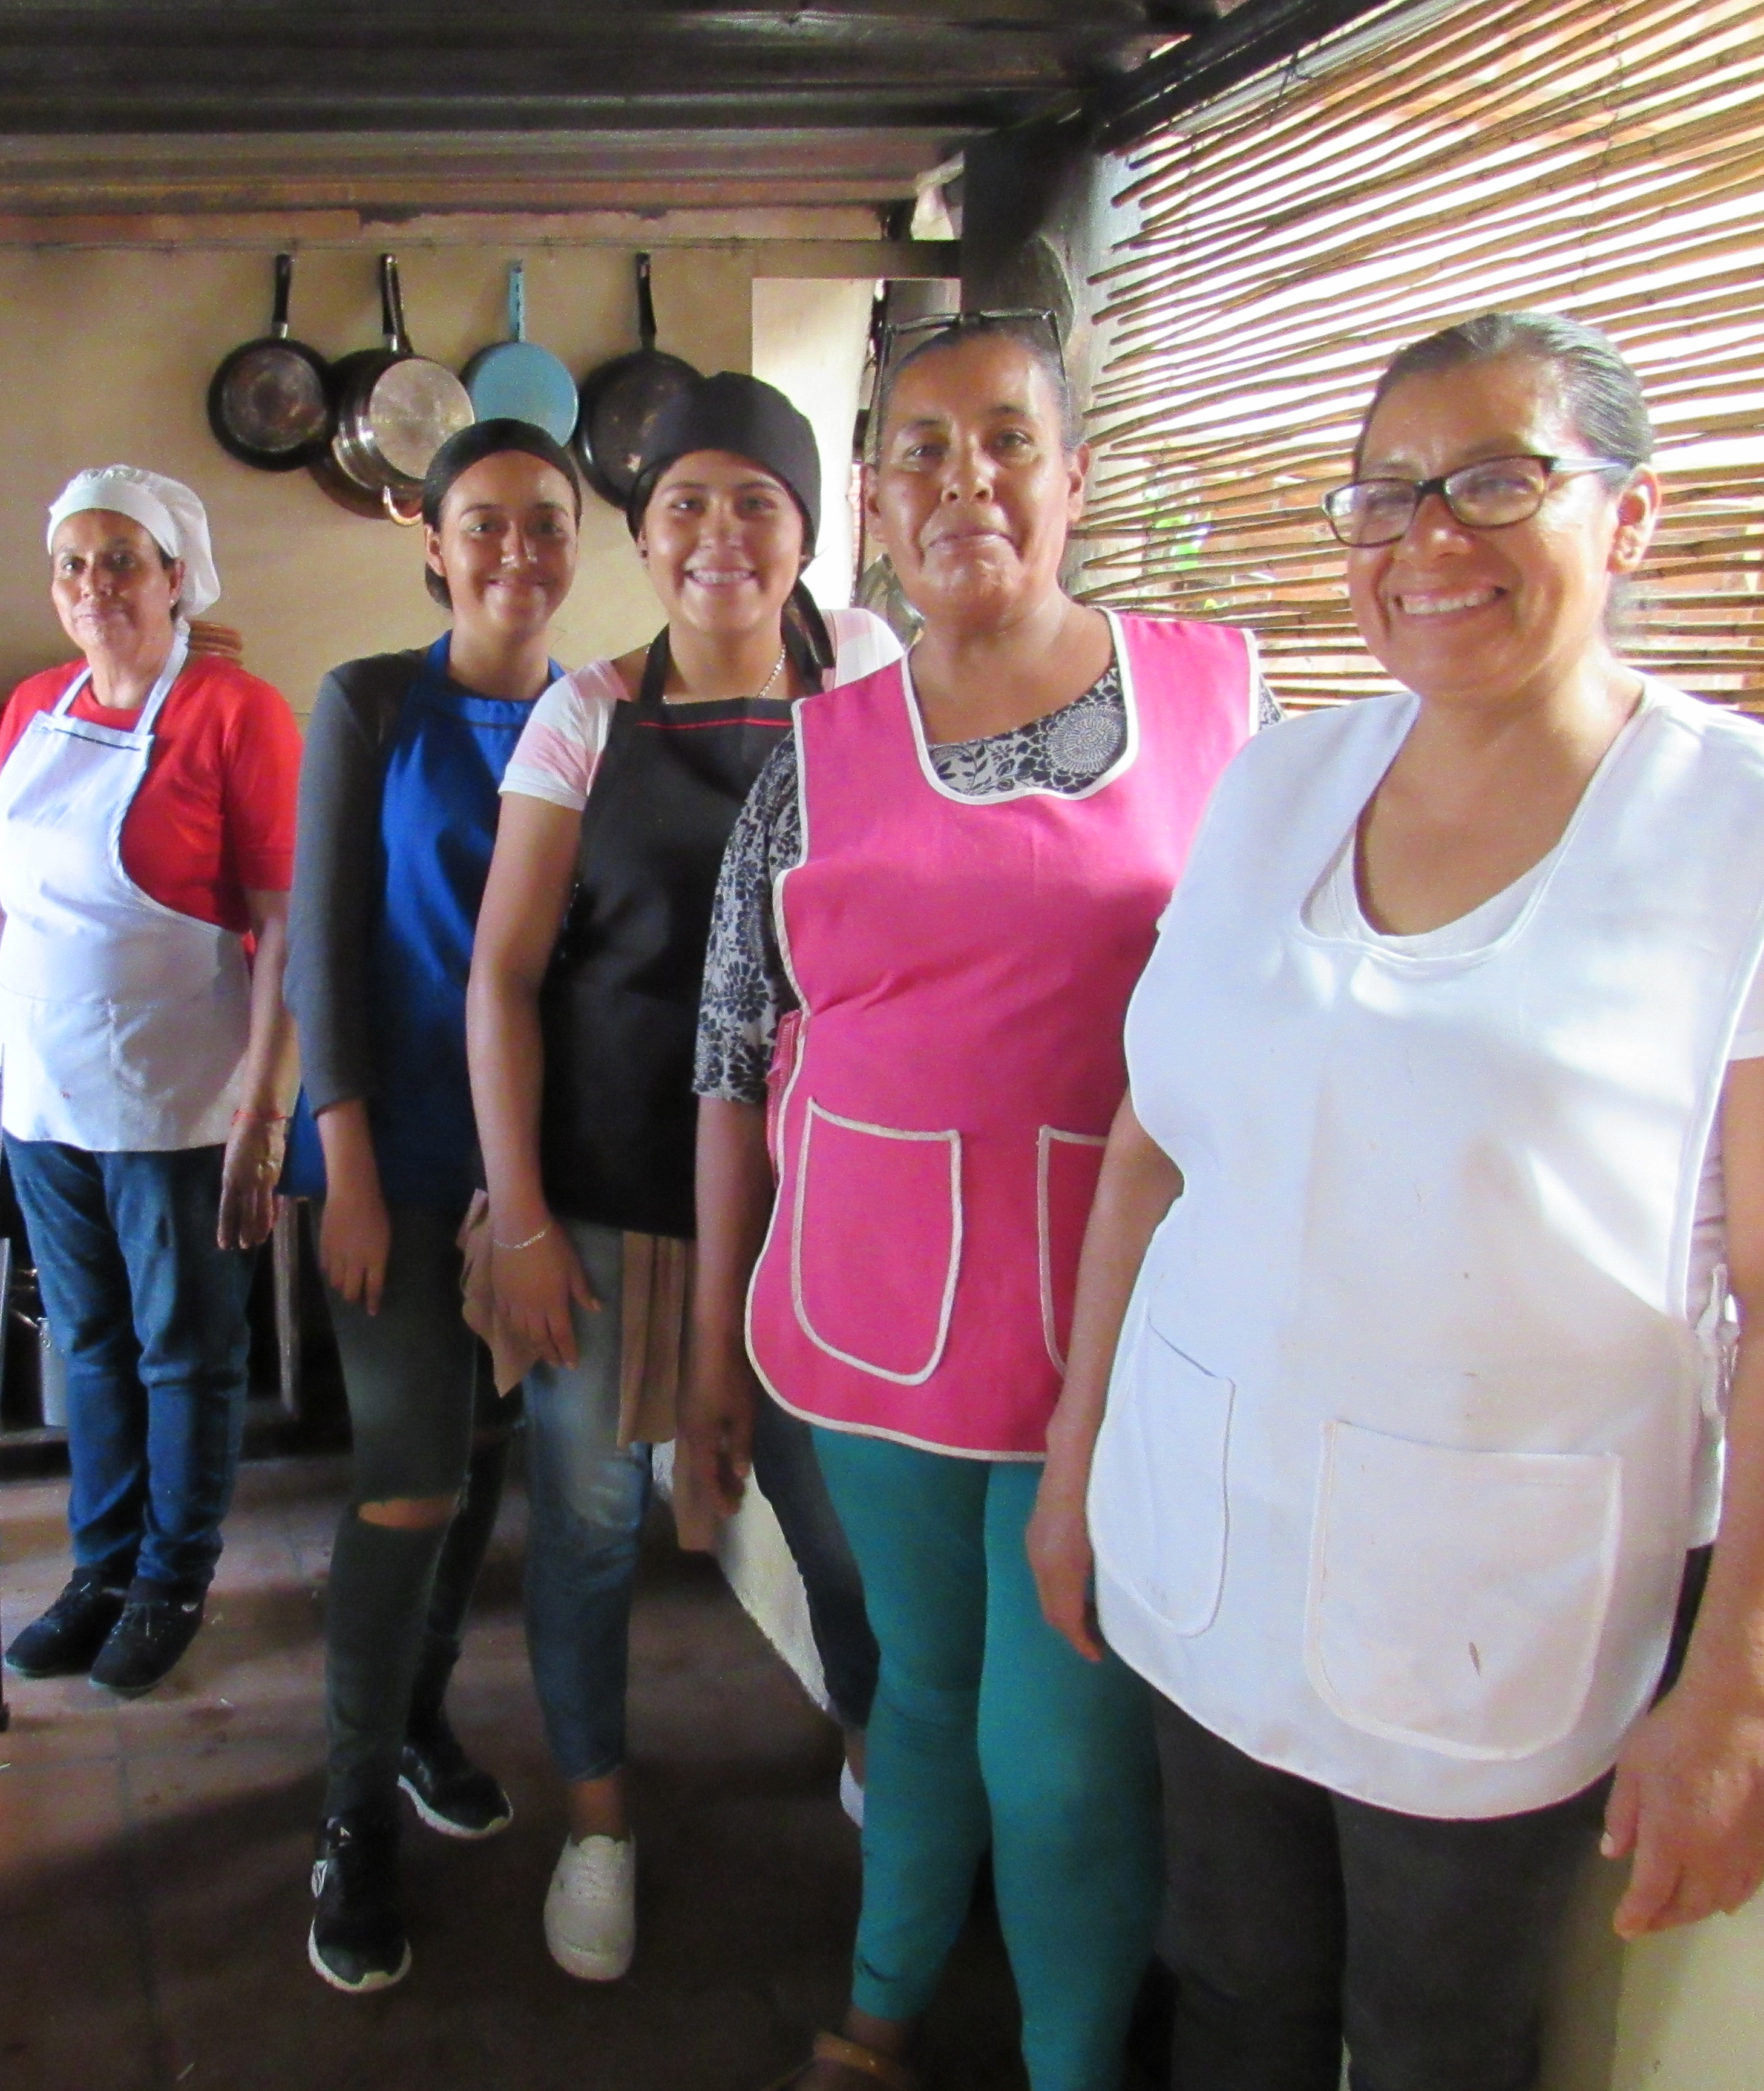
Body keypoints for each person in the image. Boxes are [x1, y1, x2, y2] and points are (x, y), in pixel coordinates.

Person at [1028, 312, 1764, 2091]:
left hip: (1496, 1603)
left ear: (1629, 516)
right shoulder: (1282, 780)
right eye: (1385, 494)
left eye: (1498, 481)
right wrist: (1079, 1459)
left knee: (1437, 2042)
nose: (1429, 536)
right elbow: (1155, 1146)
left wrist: (1741, 1689)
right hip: (1201, 1530)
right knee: (1229, 1992)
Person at [689, 316, 1270, 2091]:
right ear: (877, 505)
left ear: (1075, 476)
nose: (966, 483)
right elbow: (730, 1052)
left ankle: (1069, 2063)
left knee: (1066, 1755)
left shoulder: (1226, 713)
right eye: (922, 452)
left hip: (1127, 1329)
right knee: (919, 1697)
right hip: (875, 1325)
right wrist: (711, 1355)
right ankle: (884, 2000)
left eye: (1007, 440)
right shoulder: (814, 757)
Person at [468, 373, 893, 1985]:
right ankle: (597, 1821)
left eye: (757, 504)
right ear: (644, 540)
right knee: (587, 1526)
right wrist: (518, 1219)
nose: (721, 536)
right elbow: (503, 979)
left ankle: (876, 1752)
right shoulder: (585, 714)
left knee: (839, 1527)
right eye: (684, 507)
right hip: (603, 1185)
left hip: (820, 1201)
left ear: (808, 530)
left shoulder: (871, 680)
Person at [284, 419, 584, 1994]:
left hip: (527, 1168)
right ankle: (350, 1816)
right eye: (485, 522)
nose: (516, 551)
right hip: (385, 1160)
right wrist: (344, 1166)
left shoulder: (597, 719)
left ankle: (415, 1721)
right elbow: (321, 941)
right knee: (406, 1473)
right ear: (434, 544)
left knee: (480, 1461)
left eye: (547, 522)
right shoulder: (371, 703)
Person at [0, 465, 301, 1700]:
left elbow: (284, 927)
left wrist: (261, 1111)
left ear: (176, 577)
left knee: (185, 1350)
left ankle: (170, 1580)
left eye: (121, 561)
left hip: (177, 1096)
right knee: (88, 1342)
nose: (94, 586)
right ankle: (99, 1571)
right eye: (73, 564)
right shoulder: (36, 706)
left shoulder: (238, 713)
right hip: (42, 1094)